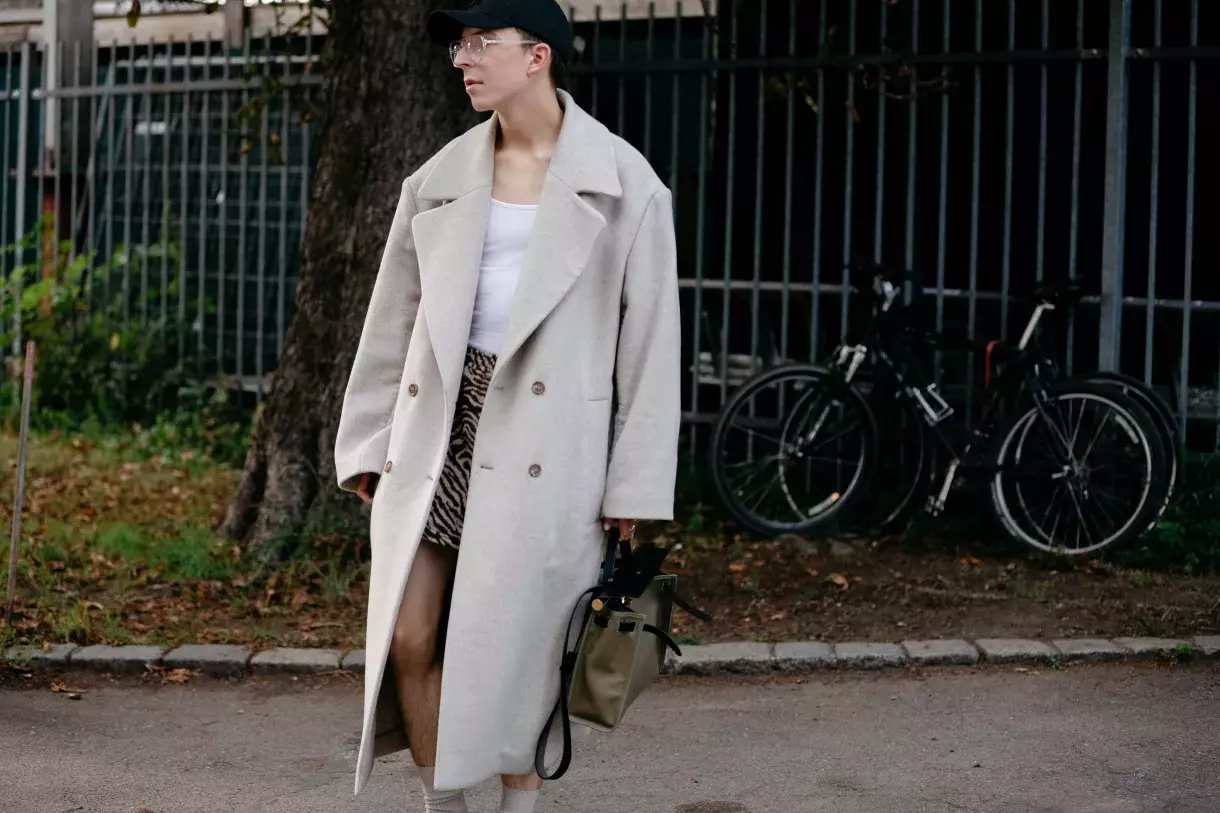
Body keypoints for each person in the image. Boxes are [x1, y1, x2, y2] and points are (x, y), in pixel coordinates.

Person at [333, 0, 681, 809]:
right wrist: (368, 443)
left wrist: (631, 486)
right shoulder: (436, 180)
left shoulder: (627, 186)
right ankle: (444, 804)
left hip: (548, 442)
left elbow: (651, 351)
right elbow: (392, 320)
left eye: (482, 42)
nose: (463, 59)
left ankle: (519, 804)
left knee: (524, 654)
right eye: (460, 44)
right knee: (410, 636)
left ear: (538, 56)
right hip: (440, 429)